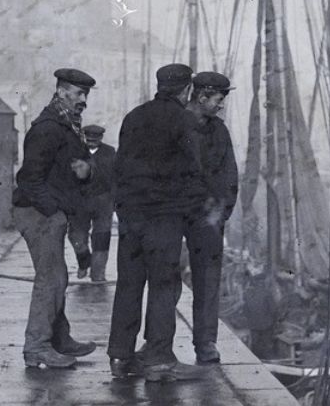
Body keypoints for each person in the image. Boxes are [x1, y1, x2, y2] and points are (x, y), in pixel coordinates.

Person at [108, 63, 209, 382]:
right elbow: (196, 172)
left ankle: (120, 356)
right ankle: (159, 359)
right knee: (164, 285)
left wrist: (123, 210)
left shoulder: (133, 117)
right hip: (164, 217)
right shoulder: (185, 120)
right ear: (186, 90)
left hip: (130, 217)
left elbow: (119, 168)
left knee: (129, 283)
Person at [11, 67, 101, 369]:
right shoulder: (48, 127)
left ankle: (60, 339)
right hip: (38, 213)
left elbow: (74, 171)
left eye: (85, 94)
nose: (83, 100)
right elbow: (28, 179)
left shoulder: (67, 125)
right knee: (50, 279)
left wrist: (86, 171)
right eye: (78, 93)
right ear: (61, 92)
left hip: (47, 211)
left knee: (57, 277)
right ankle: (37, 347)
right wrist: (54, 212)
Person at [184, 71, 238, 365]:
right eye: (218, 100)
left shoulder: (219, 132)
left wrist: (221, 211)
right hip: (175, 215)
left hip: (207, 219)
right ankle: (157, 345)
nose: (220, 106)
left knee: (207, 281)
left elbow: (230, 175)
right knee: (165, 280)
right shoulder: (175, 126)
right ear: (202, 97)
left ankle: (205, 342)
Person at [68, 125, 117, 282]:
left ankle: (98, 273)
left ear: (101, 139)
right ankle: (84, 261)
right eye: (88, 139)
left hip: (103, 201)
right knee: (76, 235)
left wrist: (115, 199)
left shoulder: (110, 152)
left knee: (102, 238)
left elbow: (116, 177)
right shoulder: (75, 151)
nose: (91, 143)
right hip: (80, 202)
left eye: (95, 140)